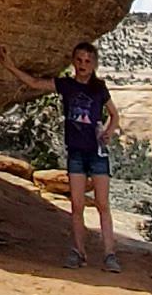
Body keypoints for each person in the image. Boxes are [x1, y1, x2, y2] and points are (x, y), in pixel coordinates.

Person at [52, 43, 122, 271]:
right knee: (77, 204)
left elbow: (114, 115)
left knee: (102, 204)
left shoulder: (99, 88)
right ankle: (78, 251)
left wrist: (109, 132)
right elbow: (35, 84)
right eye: (79, 60)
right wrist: (10, 66)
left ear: (94, 64)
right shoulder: (66, 85)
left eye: (88, 61)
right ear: (73, 61)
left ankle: (109, 254)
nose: (83, 65)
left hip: (97, 151)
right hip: (76, 152)